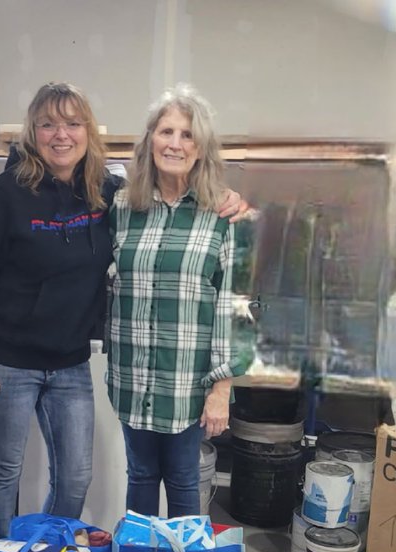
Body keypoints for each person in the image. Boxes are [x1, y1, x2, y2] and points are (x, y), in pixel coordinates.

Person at [0, 83, 244, 546]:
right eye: (48, 124)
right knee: (5, 470)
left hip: (72, 362)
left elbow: (229, 294)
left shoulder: (106, 192)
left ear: (88, 132)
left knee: (77, 478)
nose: (60, 134)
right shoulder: (13, 195)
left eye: (72, 124)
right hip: (7, 360)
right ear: (33, 133)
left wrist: (239, 203)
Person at [107, 85, 243, 518]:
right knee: (140, 476)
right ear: (150, 140)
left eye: (188, 135)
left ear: (201, 148)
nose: (175, 144)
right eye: (166, 131)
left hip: (188, 381)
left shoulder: (220, 213)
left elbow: (232, 306)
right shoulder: (123, 206)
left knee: (184, 479)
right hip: (132, 376)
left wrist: (222, 387)